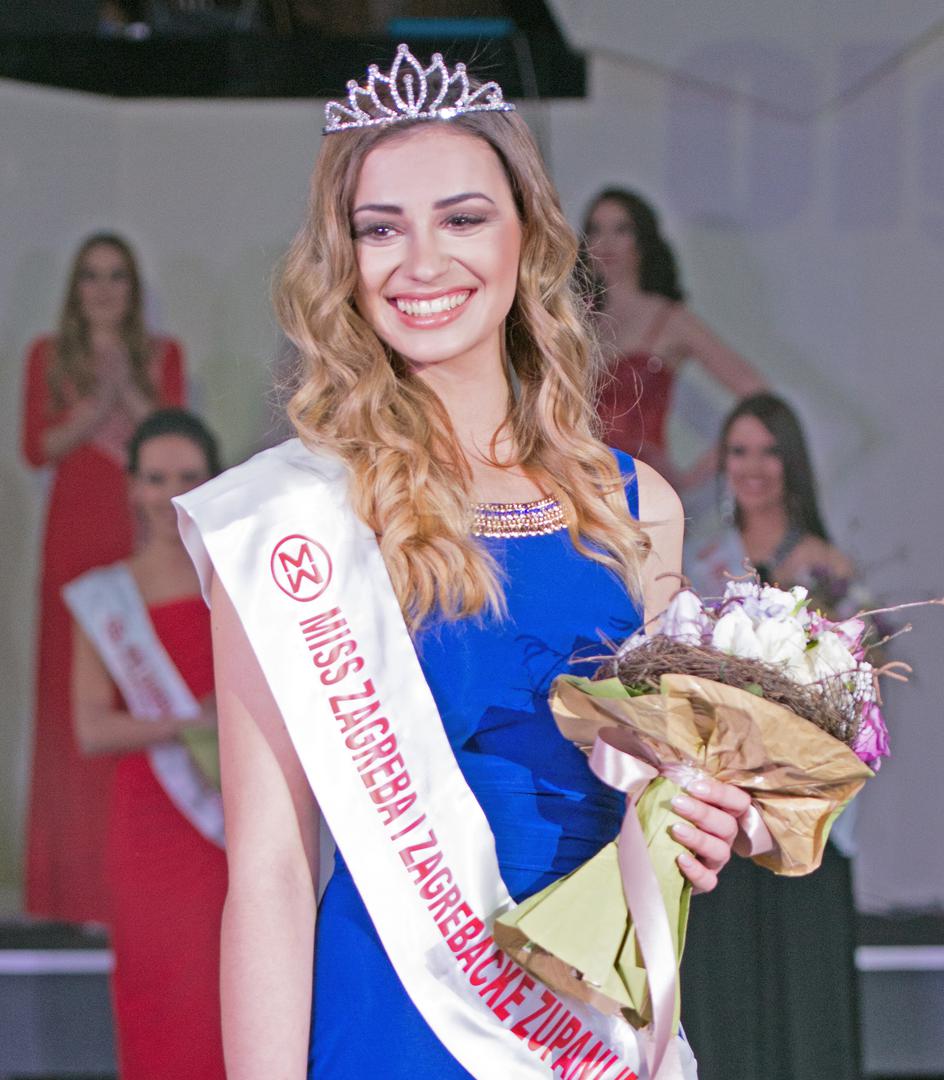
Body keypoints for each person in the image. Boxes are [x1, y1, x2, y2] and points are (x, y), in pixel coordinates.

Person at [173, 45, 751, 1080]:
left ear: (528, 238)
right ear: (342, 261)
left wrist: (702, 820)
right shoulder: (294, 521)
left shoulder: (637, 509)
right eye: (380, 228)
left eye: (463, 218)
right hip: (390, 1020)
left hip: (587, 1033)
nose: (422, 262)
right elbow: (269, 869)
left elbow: (664, 800)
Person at [680, 392, 862, 1080]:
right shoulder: (700, 555)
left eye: (768, 451)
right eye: (738, 451)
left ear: (793, 462)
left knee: (804, 989)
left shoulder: (824, 566)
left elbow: (848, 690)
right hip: (721, 809)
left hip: (796, 807)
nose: (752, 467)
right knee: (722, 990)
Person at [21, 232, 186, 923]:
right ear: (76, 289)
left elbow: (170, 439)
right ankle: (66, 890)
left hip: (139, 538)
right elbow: (35, 448)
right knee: (70, 712)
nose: (104, 289)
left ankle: (134, 882)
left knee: (138, 698)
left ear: (132, 288)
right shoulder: (48, 355)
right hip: (72, 540)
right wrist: (96, 408)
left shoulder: (162, 354)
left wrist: (128, 390)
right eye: (92, 276)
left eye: (116, 276)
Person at [65, 408, 226, 1080]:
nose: (170, 494)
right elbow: (92, 728)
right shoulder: (106, 596)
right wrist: (195, 720)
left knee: (230, 988)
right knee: (158, 989)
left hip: (234, 818)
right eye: (155, 479)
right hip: (151, 822)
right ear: (133, 487)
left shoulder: (235, 581)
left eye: (187, 477)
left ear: (213, 482)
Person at [582, 188, 766, 492]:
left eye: (621, 229)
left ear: (642, 240)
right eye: (595, 229)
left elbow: (756, 393)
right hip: (581, 491)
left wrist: (693, 476)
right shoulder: (576, 325)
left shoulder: (670, 320)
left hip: (644, 492)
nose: (606, 242)